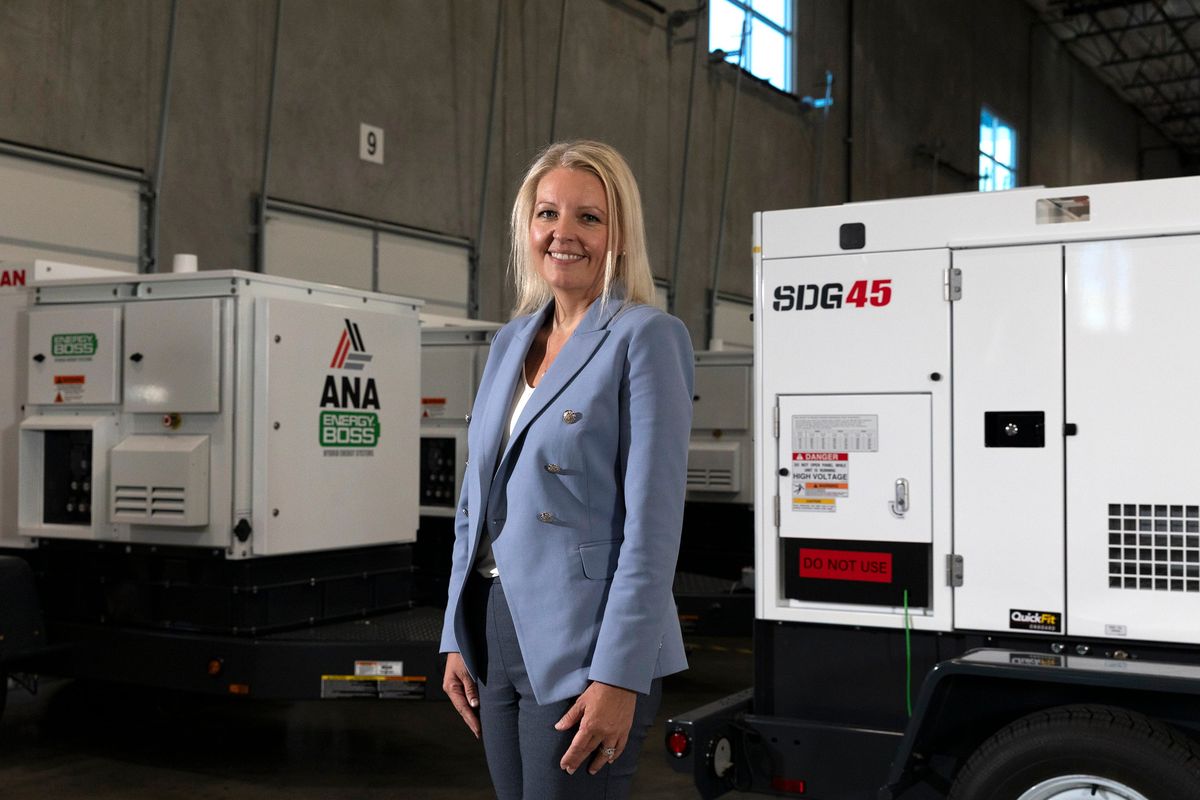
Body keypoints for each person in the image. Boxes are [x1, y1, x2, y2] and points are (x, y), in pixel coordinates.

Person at [440, 140, 694, 799]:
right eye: (547, 213)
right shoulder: (509, 341)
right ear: (527, 228)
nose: (563, 233)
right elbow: (475, 503)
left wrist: (619, 675)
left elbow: (653, 526)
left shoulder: (646, 337)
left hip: (589, 637)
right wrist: (455, 634)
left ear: (619, 235)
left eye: (589, 217)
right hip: (497, 620)